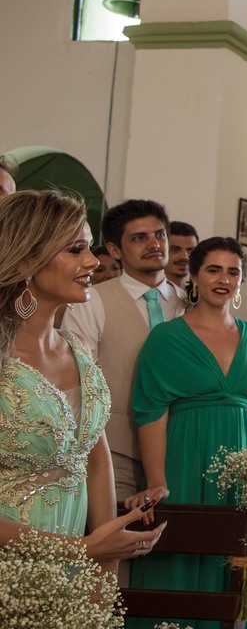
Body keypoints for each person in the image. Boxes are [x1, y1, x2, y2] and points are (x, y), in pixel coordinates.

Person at [0, 191, 163, 567]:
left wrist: (104, 566)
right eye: (75, 249)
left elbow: (95, 459)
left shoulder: (77, 349)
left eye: (89, 248)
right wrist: (83, 550)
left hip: (75, 570)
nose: (92, 261)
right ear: (26, 258)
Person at [127, 236, 247, 629]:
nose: (223, 279)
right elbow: (151, 413)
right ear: (194, 276)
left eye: (233, 272)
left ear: (241, 282)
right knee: (180, 562)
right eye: (213, 270)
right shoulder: (166, 338)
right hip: (186, 461)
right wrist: (158, 481)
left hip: (241, 469)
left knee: (235, 571)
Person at [63, 198, 187, 506]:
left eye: (159, 234)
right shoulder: (92, 301)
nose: (154, 244)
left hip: (183, 447)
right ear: (115, 250)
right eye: (139, 237)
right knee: (120, 543)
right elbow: (78, 379)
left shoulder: (190, 304)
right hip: (117, 450)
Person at [166, 220, 199, 290]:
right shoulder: (150, 296)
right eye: (175, 250)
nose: (185, 256)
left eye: (190, 251)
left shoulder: (200, 295)